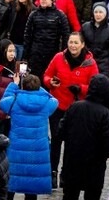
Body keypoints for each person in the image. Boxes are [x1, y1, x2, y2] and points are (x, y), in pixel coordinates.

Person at [56, 74, 109, 200]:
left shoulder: (75, 107)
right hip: (94, 169)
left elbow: (60, 133)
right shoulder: (106, 115)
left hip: (72, 164)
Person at [0, 73, 57, 200]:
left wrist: (14, 86)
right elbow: (54, 99)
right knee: (32, 190)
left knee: (9, 186)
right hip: (37, 153)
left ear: (23, 87)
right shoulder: (47, 103)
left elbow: (2, 102)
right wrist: (40, 89)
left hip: (16, 151)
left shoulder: (15, 101)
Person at [42, 31, 98, 180]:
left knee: (72, 143)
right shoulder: (59, 57)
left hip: (77, 109)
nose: (72, 45)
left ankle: (66, 174)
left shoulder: (90, 63)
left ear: (83, 45)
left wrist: (81, 88)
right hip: (57, 105)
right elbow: (46, 75)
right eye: (70, 42)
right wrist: (50, 82)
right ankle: (52, 172)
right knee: (56, 139)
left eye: (76, 43)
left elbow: (95, 86)